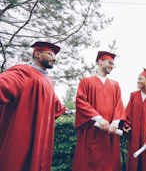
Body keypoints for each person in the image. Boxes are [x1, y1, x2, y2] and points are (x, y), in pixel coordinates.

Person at [0, 41, 66, 171]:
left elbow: (55, 103)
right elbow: (5, 83)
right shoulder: (24, 72)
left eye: (54, 56)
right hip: (23, 132)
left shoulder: (48, 80)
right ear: (37, 54)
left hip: (41, 133)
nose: (54, 58)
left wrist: (67, 111)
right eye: (49, 54)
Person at [72, 51, 126, 171]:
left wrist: (115, 123)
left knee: (110, 162)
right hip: (92, 130)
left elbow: (119, 105)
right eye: (109, 63)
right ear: (100, 62)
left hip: (110, 132)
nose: (112, 66)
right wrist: (98, 118)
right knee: (89, 162)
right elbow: (81, 102)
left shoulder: (115, 84)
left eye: (113, 64)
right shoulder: (86, 81)